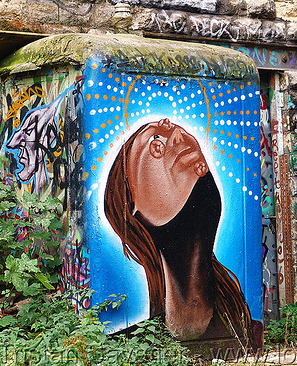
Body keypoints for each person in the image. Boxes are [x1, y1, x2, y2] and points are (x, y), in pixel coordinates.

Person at [104, 118, 255, 346]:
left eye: (172, 129)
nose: (177, 136)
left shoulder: (248, 331)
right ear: (131, 208)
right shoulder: (129, 350)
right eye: (155, 144)